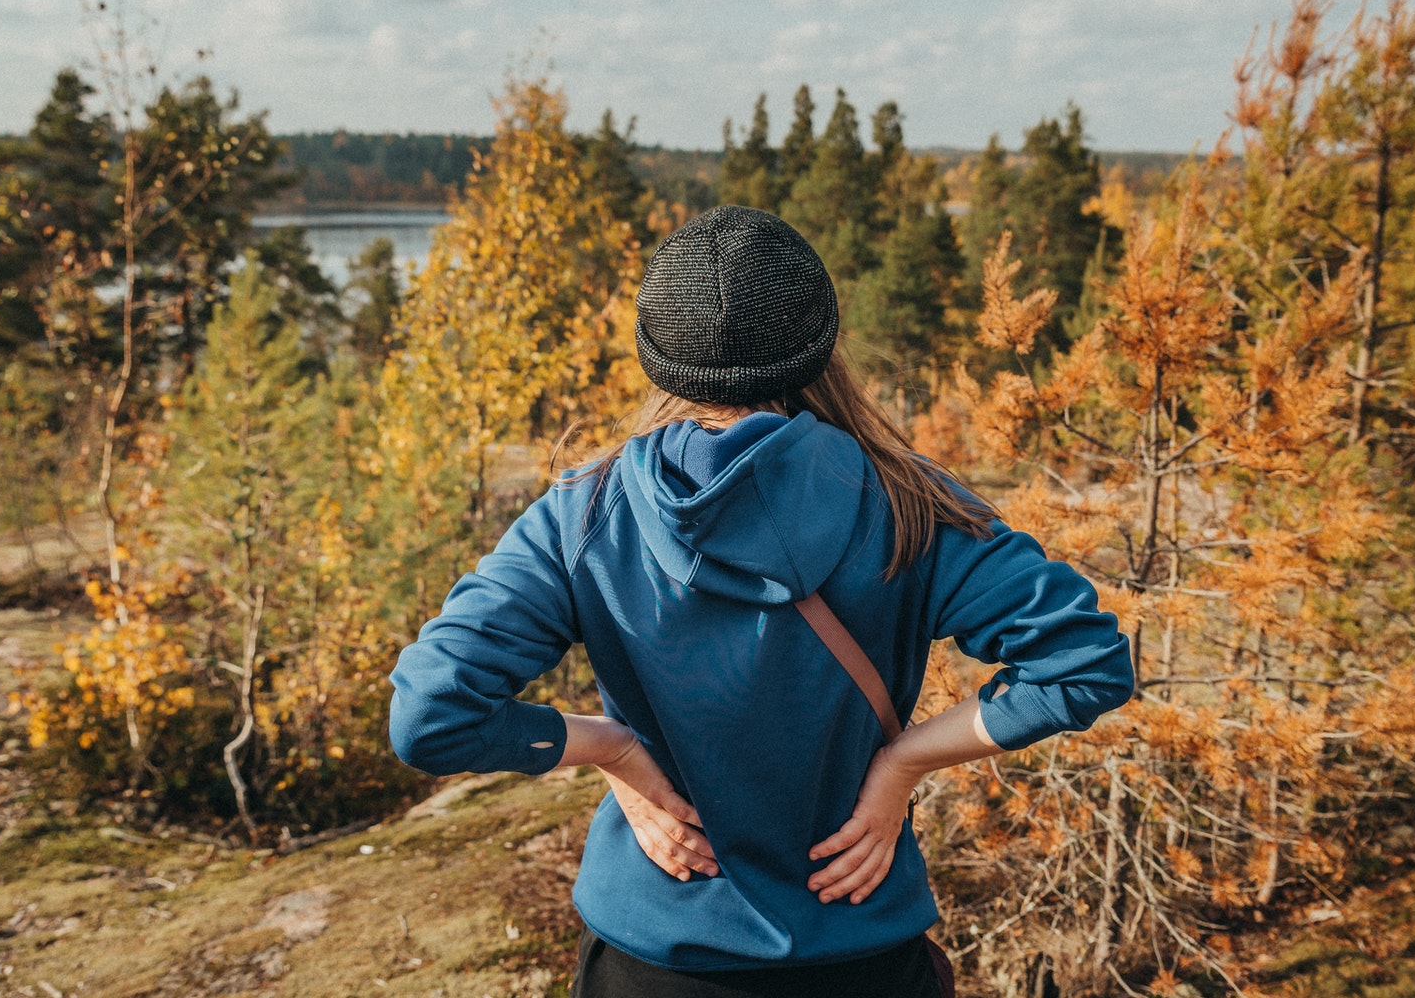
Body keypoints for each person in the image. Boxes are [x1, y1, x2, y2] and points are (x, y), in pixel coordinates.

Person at [389, 205, 1135, 997]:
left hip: (655, 958)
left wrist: (611, 751)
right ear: (821, 345)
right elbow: (1085, 664)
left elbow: (432, 714)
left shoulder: (583, 514)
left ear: (658, 360)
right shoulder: (911, 505)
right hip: (858, 942)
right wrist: (902, 764)